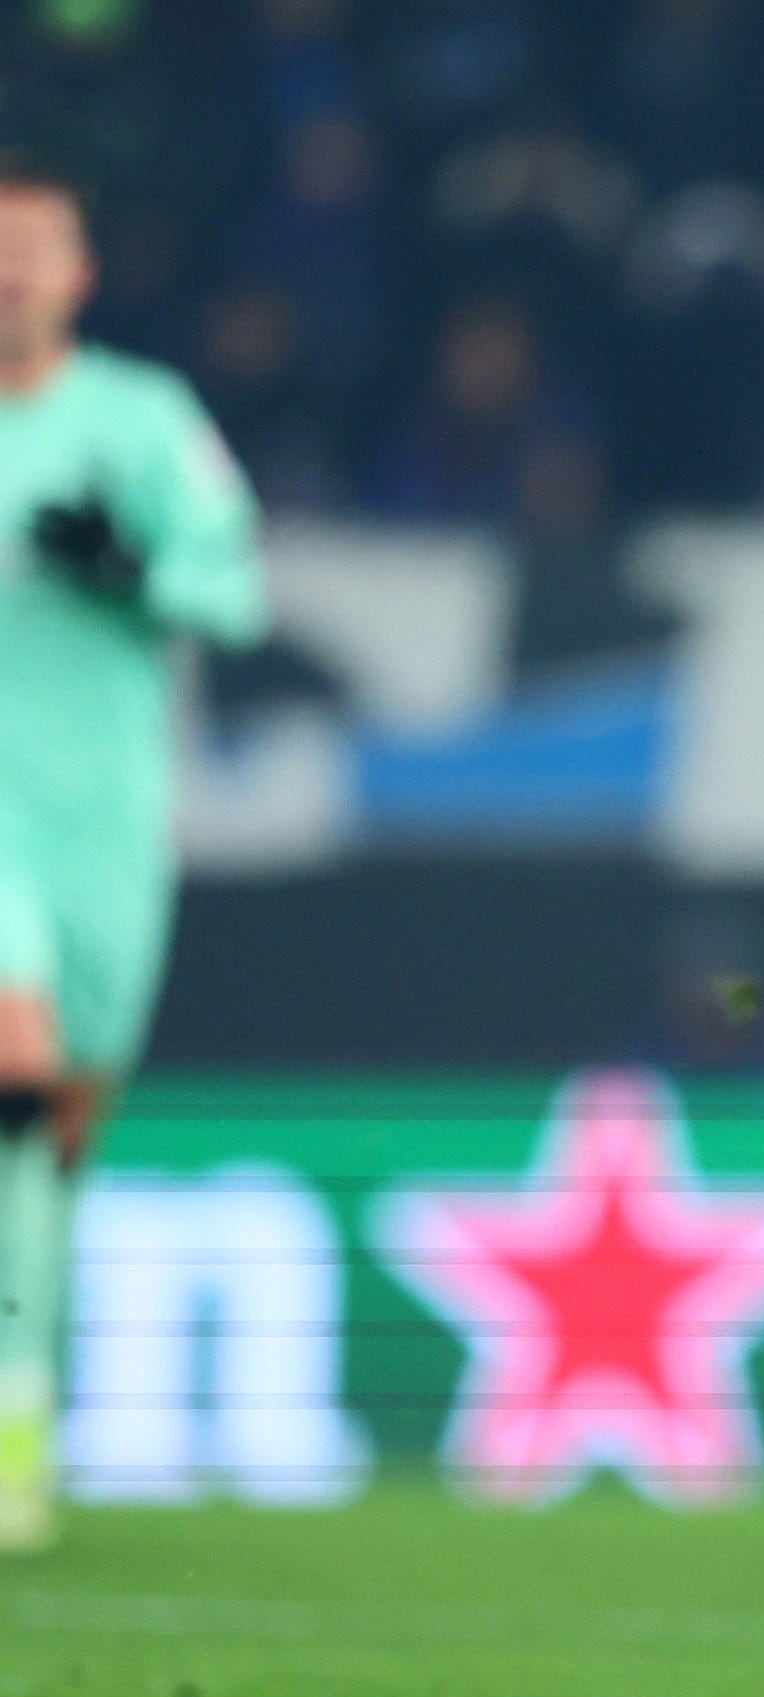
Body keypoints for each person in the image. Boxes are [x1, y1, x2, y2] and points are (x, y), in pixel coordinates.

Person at [0, 160, 269, 1549]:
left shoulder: (144, 420)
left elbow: (237, 595)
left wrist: (132, 574)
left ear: (81, 274)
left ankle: (17, 1425)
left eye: (35, 248)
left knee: (54, 1144)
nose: (11, 273)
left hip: (103, 825)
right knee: (12, 1065)